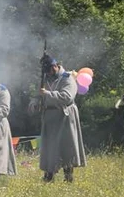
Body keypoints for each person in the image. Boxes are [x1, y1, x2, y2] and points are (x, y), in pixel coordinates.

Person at [36, 54, 86, 182]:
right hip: (49, 117)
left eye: (49, 70)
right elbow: (38, 97)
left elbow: (67, 97)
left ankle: (68, 176)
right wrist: (35, 104)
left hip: (65, 116)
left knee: (66, 147)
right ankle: (49, 175)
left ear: (55, 66)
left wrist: (47, 93)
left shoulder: (68, 78)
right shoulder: (45, 79)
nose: (48, 73)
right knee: (49, 148)